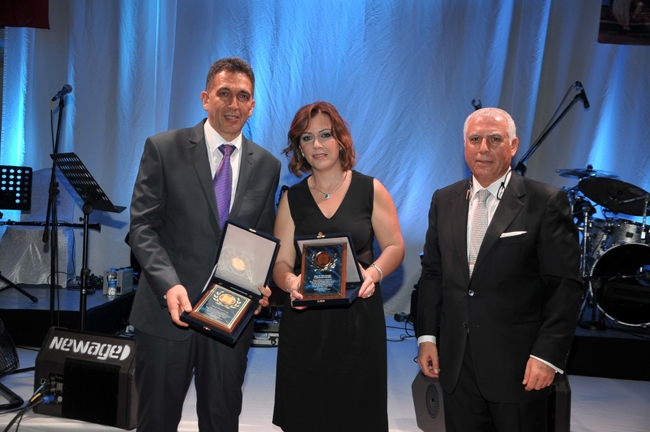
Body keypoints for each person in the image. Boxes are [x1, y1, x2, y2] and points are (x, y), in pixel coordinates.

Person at [128, 57, 281, 432]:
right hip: (167, 314)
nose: (233, 104)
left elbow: (260, 237)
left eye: (242, 96)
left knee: (221, 420)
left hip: (230, 319)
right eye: (224, 93)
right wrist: (169, 285)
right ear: (205, 98)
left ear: (252, 105)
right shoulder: (163, 148)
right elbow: (142, 226)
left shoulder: (267, 165)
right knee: (156, 421)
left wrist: (261, 286)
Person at [416, 107, 583, 432]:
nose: (483, 148)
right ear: (464, 144)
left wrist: (547, 356)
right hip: (456, 364)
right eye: (474, 139)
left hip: (518, 367)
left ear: (513, 145)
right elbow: (433, 274)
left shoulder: (546, 202)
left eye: (494, 139)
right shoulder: (444, 200)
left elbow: (566, 287)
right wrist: (427, 338)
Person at [272, 101, 405, 432]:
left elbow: (395, 246)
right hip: (305, 323)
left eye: (325, 135)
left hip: (357, 319)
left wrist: (373, 273)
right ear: (299, 148)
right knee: (306, 414)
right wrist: (290, 282)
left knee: (357, 414)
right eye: (307, 138)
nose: (317, 145)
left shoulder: (370, 190)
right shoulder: (291, 199)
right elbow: (281, 261)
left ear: (341, 140)